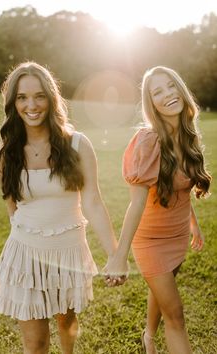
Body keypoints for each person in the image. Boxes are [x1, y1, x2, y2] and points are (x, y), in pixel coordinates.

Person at [0, 61, 123, 354]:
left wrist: (115, 254)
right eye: (22, 97)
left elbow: (93, 202)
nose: (32, 105)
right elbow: (12, 208)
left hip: (68, 253)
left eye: (39, 95)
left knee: (66, 322)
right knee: (35, 343)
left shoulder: (77, 145)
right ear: (13, 102)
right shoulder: (5, 153)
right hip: (26, 256)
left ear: (51, 98)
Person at [105, 66, 211, 354]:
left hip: (177, 236)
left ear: (180, 89)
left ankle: (148, 336)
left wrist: (193, 224)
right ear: (151, 104)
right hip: (150, 240)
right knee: (175, 314)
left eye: (171, 86)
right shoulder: (148, 140)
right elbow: (136, 202)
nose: (167, 95)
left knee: (162, 290)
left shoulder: (188, 136)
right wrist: (119, 256)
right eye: (157, 92)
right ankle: (153, 336)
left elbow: (180, 191)